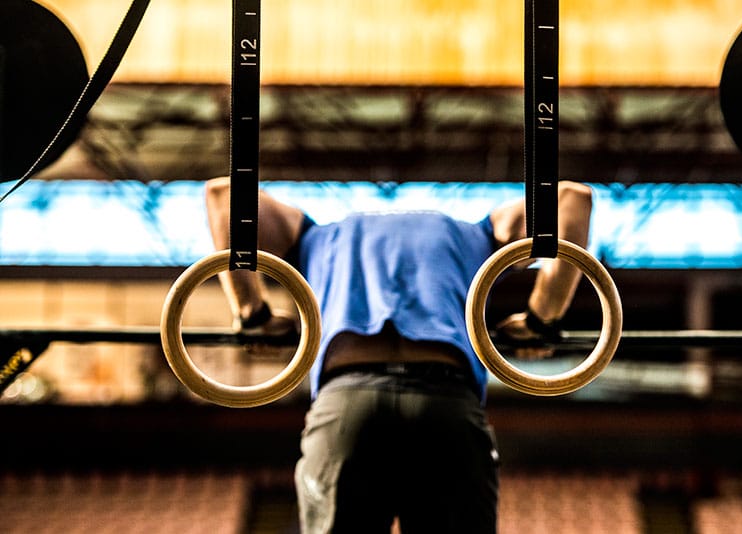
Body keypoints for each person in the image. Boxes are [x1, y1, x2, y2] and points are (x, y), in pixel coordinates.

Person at [205, 177, 593, 533]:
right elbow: (571, 198)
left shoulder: (319, 237)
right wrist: (542, 318)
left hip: (346, 405)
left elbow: (224, 195)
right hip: (445, 405)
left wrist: (252, 314)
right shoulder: (474, 236)